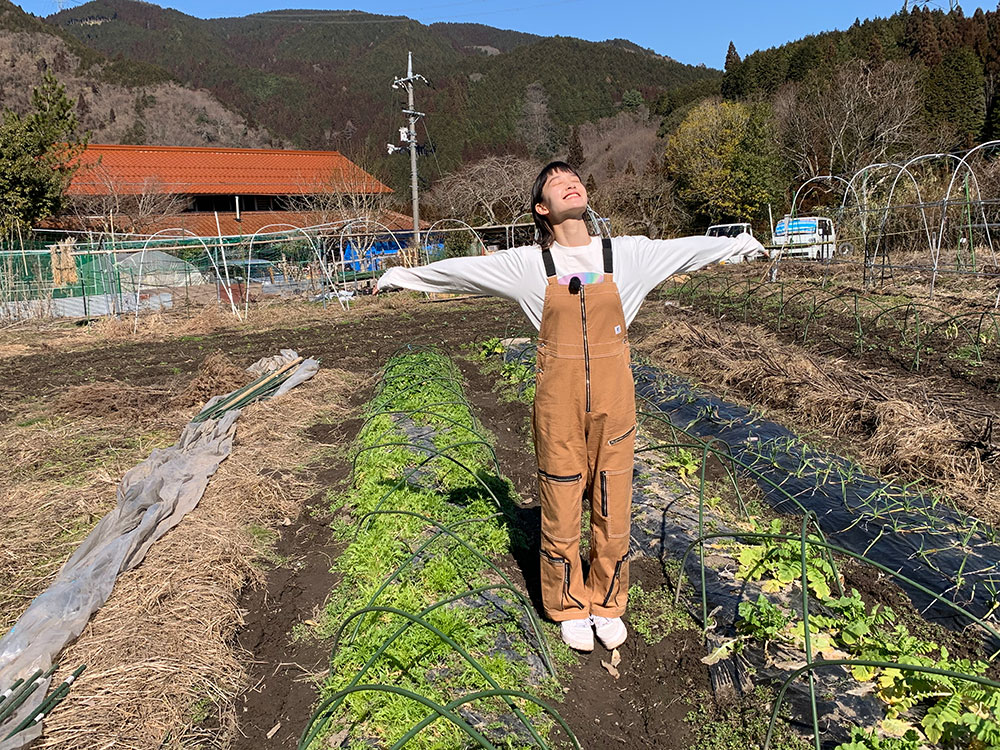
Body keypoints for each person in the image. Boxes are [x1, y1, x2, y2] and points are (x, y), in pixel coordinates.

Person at [376, 161, 764, 652]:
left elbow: (684, 250)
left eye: (573, 176)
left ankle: (607, 601)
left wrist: (737, 245)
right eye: (556, 181)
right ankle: (567, 604)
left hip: (614, 398)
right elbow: (462, 273)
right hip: (558, 404)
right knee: (560, 502)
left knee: (612, 500)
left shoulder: (626, 254)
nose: (569, 181)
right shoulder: (527, 264)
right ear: (543, 208)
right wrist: (405, 275)